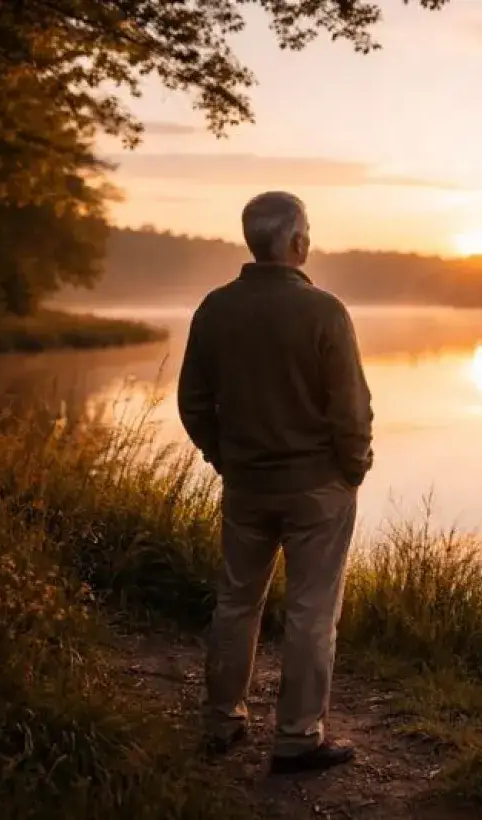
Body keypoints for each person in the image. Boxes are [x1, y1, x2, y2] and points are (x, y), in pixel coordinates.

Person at [178, 191, 373, 774]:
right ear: (295, 242)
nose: (308, 240)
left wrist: (224, 457)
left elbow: (192, 402)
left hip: (246, 485)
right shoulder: (325, 311)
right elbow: (351, 409)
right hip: (318, 487)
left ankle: (221, 721)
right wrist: (353, 468)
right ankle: (296, 737)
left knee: (236, 601)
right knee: (313, 611)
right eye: (306, 231)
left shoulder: (215, 309)